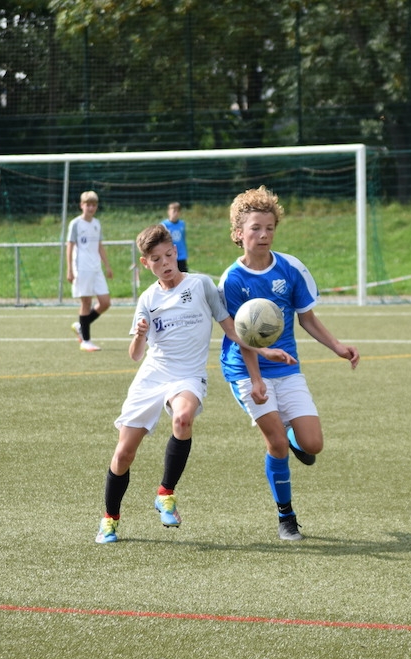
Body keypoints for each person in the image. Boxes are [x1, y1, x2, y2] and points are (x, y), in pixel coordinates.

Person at [96, 224, 294, 544]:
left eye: (169, 255)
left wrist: (263, 350)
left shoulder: (201, 285)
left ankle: (165, 494)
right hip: (153, 374)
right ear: (145, 263)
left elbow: (231, 328)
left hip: (188, 374)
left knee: (183, 418)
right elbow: (135, 355)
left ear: (176, 251)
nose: (165, 263)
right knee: (123, 454)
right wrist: (140, 334)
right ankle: (110, 519)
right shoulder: (147, 299)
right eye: (156, 259)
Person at [218, 186, 360, 542]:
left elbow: (306, 318)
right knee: (277, 444)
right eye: (255, 228)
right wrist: (256, 380)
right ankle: (286, 516)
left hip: (287, 368)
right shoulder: (232, 279)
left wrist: (337, 347)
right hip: (245, 370)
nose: (263, 234)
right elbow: (241, 336)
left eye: (269, 228)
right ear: (239, 233)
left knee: (312, 444)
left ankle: (293, 437)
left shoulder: (291, 268)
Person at [66, 190, 113, 352]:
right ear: (82, 205)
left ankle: (81, 326)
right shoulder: (75, 224)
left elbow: (99, 246)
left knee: (105, 302)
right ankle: (85, 341)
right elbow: (70, 246)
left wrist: (107, 266)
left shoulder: (97, 223)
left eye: (94, 205)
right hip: (82, 268)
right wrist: (69, 270)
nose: (91, 208)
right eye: (88, 205)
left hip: (96, 268)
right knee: (86, 303)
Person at [161, 201, 188, 272]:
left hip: (181, 254)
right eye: (173, 211)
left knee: (183, 274)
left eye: (177, 211)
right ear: (169, 212)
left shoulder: (182, 224)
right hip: (170, 254)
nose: (175, 213)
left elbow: (183, 237)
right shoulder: (164, 225)